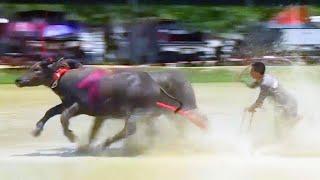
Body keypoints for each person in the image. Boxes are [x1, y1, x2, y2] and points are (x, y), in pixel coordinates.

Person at [245, 62, 300, 136]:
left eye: (252, 71)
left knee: (283, 126)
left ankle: (306, 119)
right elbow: (254, 85)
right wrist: (244, 82)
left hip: (287, 105)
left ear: (257, 73)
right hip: (288, 103)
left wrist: (251, 107)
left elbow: (259, 101)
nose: (250, 73)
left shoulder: (265, 84)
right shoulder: (265, 78)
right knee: (281, 127)